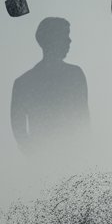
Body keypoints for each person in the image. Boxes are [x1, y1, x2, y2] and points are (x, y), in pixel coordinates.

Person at [10, 17, 90, 156]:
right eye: (65, 36)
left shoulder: (23, 83)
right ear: (53, 40)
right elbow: (83, 120)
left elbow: (19, 131)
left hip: (58, 158)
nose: (69, 41)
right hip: (66, 158)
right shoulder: (74, 75)